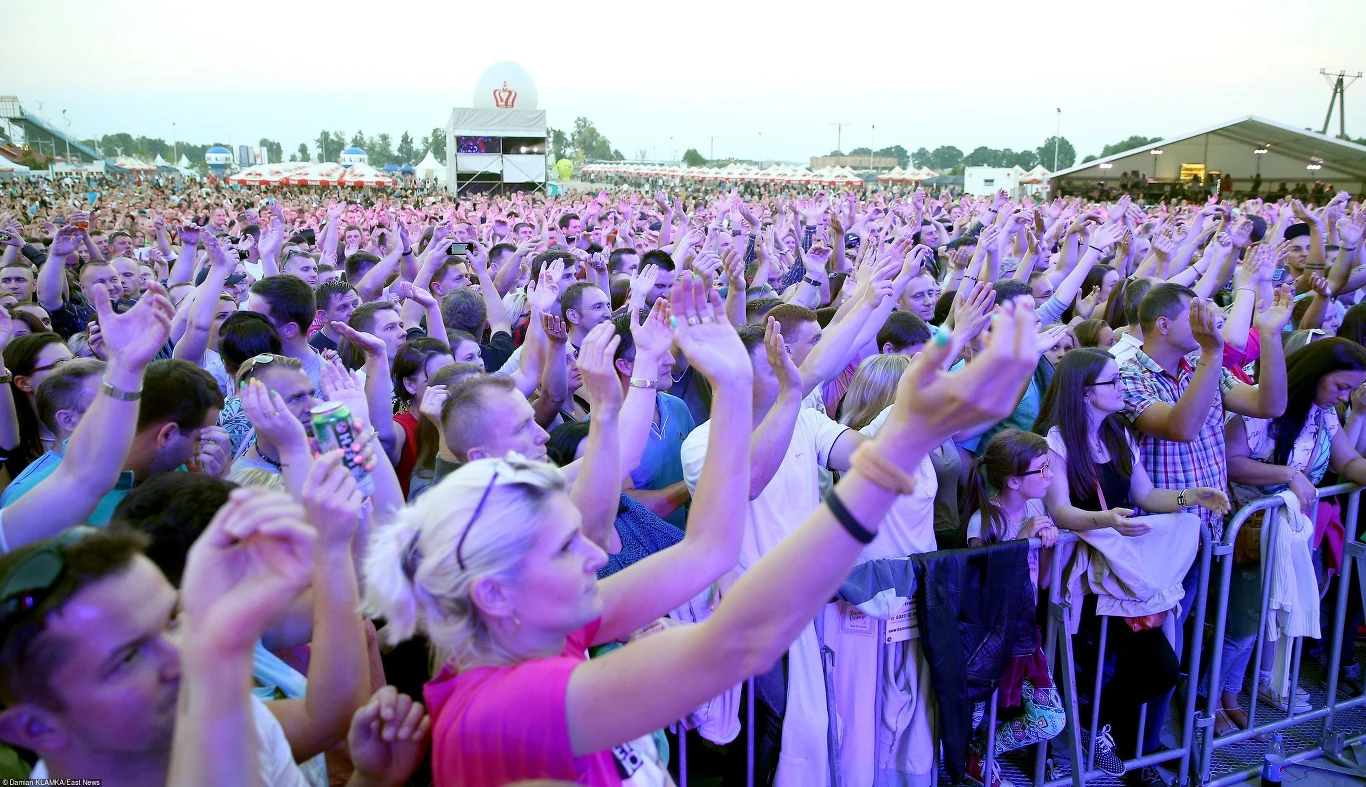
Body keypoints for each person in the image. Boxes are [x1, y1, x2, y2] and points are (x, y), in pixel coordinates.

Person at [361, 277, 1043, 787]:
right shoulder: (508, 704)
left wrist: (733, 385)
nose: (596, 553)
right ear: (494, 593)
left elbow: (710, 548)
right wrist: (900, 445)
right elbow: (738, 640)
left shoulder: (529, 635)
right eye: (566, 547)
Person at [1035, 348, 1229, 779]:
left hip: (1121, 570)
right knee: (1089, 665)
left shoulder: (1118, 433)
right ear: (1085, 393)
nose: (1122, 387)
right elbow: (1061, 511)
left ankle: (1095, 730)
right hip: (1081, 575)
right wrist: (1104, 520)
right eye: (1113, 381)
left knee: (1159, 668)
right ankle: (1086, 745)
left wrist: (1191, 496)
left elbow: (1145, 496)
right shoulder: (1056, 441)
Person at [960, 429, 1065, 787]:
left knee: (1050, 719)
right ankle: (964, 762)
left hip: (1023, 633)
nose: (1050, 475)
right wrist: (1023, 540)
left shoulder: (1037, 509)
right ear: (1013, 481)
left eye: (1049, 466)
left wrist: (1047, 547)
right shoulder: (984, 521)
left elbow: (1044, 581)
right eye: (1042, 469)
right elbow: (985, 591)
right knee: (973, 712)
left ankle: (982, 750)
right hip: (986, 640)